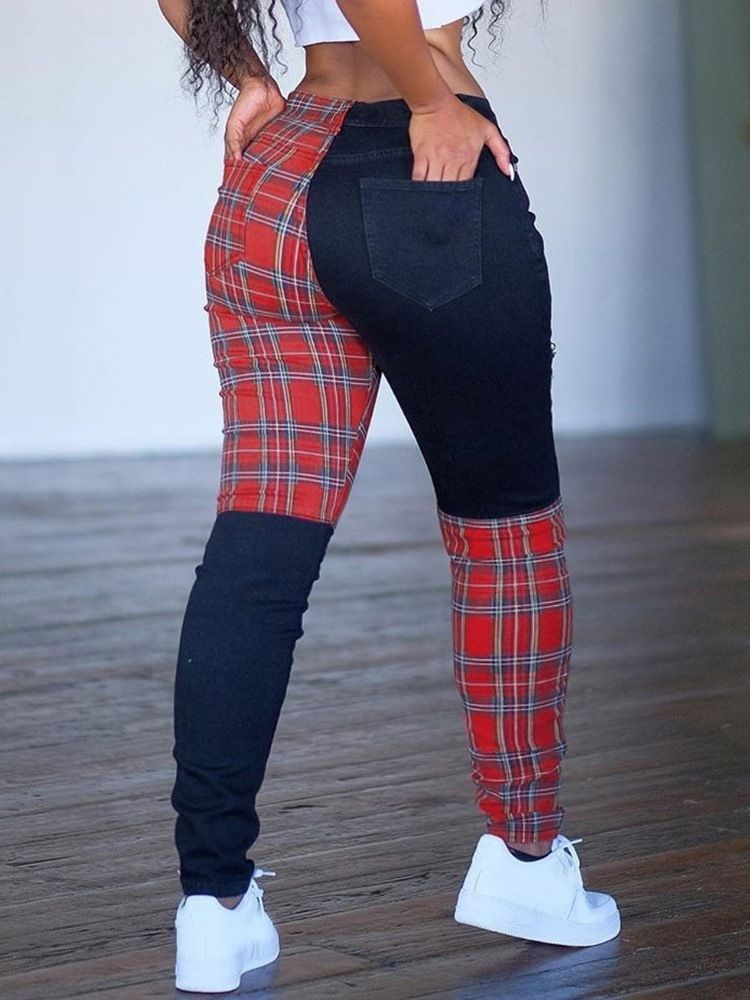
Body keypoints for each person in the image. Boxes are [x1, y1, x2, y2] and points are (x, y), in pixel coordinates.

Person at [157, 0, 621, 990]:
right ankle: (526, 858)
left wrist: (248, 78)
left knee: (260, 548)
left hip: (275, 184)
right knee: (505, 532)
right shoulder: (426, 114)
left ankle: (213, 902)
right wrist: (430, 100)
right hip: (421, 182)